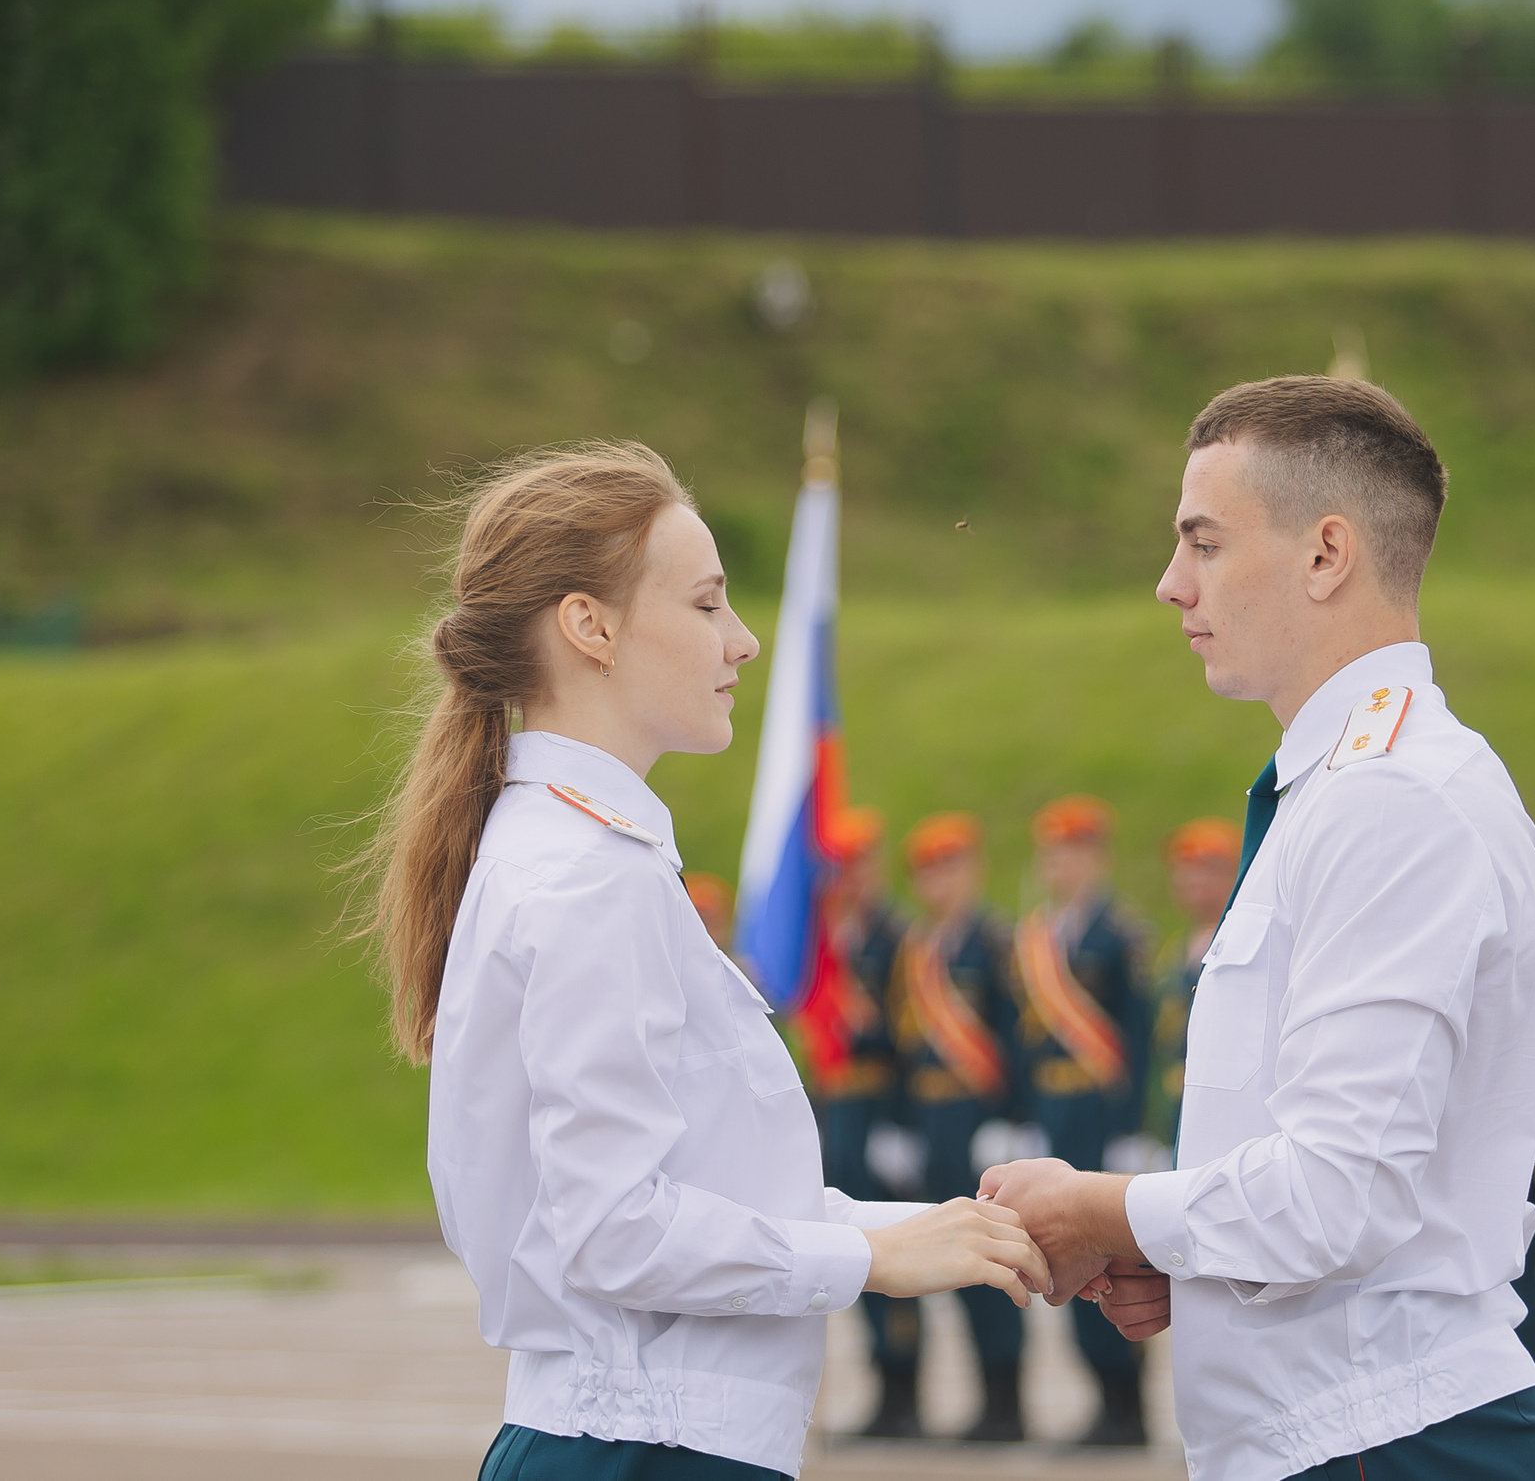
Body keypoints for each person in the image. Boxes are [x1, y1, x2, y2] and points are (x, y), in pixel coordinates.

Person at [358, 441, 1046, 1481]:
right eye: (707, 604)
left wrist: (945, 1228)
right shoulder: (589, 875)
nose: (745, 641)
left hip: (634, 1440)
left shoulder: (569, 850)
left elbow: (709, 1188)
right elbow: (613, 1230)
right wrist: (871, 1255)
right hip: (645, 1450)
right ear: (589, 627)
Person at [981, 375, 1535, 1481]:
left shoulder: (1391, 797)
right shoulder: (1349, 784)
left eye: (1202, 541)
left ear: (1324, 555)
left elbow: (1335, 1194)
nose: (1169, 585)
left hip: (1384, 1440)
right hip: (1340, 1429)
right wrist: (1173, 1248)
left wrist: (1101, 1209)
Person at [1013, 793, 1158, 1447]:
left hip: (1103, 1118)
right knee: (1064, 1255)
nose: (1061, 864)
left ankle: (1128, 1404)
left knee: (1115, 1262)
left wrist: (1135, 1124)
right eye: (1052, 852)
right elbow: (1028, 1041)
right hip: (1056, 1114)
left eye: (1073, 851)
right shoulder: (1041, 936)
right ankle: (1100, 1398)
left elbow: (1139, 1035)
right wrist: (1023, 1118)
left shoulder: (1119, 934)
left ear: (1097, 856)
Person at [888, 810, 1033, 1443]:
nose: (939, 881)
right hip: (932, 1119)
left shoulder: (995, 943)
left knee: (989, 1263)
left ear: (972, 869)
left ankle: (1006, 1403)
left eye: (950, 866)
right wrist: (899, 1123)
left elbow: (1016, 1037)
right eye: (927, 871)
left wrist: (1012, 1118)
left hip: (980, 1121)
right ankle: (970, 1401)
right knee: (938, 1262)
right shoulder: (917, 949)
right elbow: (902, 1048)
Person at [804, 808, 927, 1442]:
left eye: (861, 864)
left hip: (881, 1106)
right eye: (841, 866)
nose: (852, 877)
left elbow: (914, 1039)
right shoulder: (827, 938)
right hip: (840, 1110)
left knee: (898, 1253)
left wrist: (900, 1124)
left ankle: (906, 1395)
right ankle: (881, 1393)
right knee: (852, 1252)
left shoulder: (898, 937)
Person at [1147, 817, 1238, 1151]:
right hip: (1175, 1104)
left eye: (1207, 869)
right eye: (1185, 869)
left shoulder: (1238, 943)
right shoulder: (1173, 953)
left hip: (1219, 1103)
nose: (1192, 880)